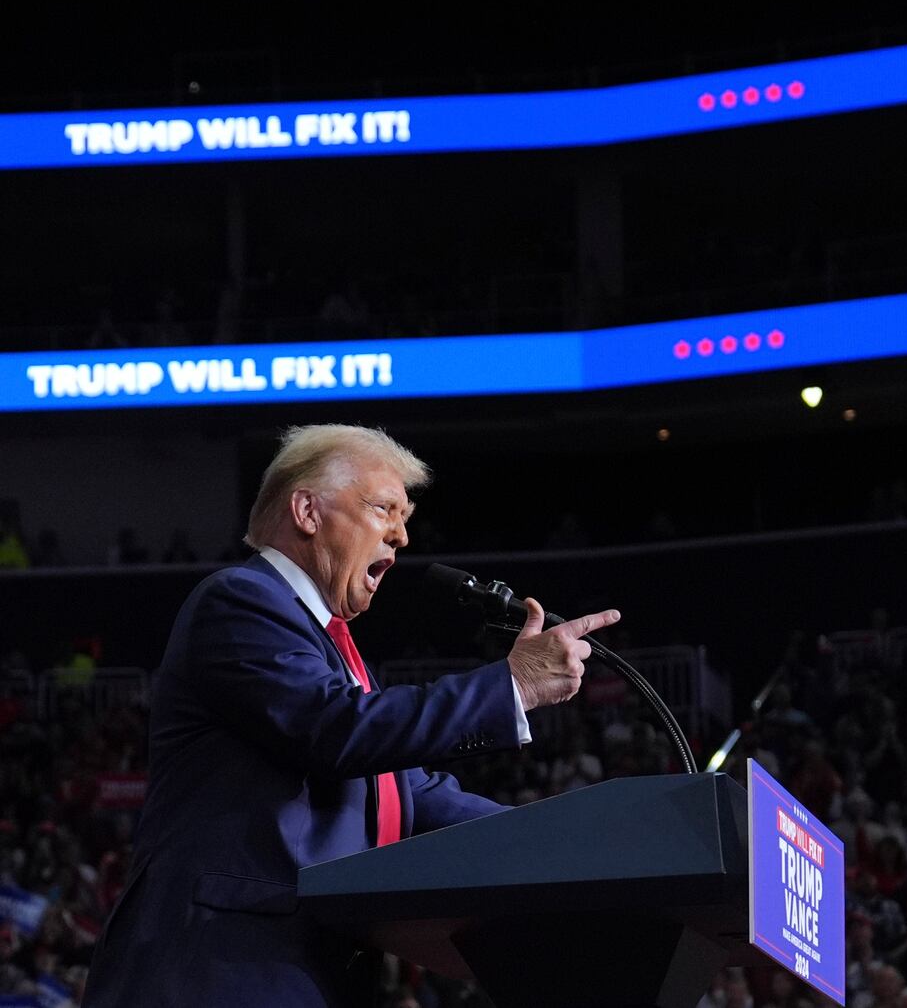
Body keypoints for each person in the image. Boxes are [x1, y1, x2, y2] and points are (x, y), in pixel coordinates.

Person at [82, 425, 619, 1006]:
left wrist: (566, 837)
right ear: (308, 511)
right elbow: (336, 729)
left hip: (305, 972)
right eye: (384, 508)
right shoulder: (239, 599)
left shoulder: (329, 647)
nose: (403, 535)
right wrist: (512, 685)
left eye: (406, 516)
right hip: (219, 969)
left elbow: (407, 795)